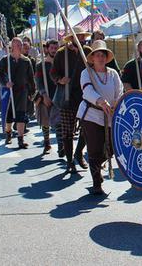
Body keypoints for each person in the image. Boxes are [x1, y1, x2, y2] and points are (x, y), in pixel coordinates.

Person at [77, 40, 123, 195]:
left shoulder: (113, 74)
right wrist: (99, 100)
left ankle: (98, 166)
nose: (101, 58)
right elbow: (87, 91)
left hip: (110, 115)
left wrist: (116, 102)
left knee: (111, 148)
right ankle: (97, 181)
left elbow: (119, 91)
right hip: (91, 115)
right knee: (95, 149)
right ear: (93, 58)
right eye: (97, 55)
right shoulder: (86, 73)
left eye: (103, 55)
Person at [51, 26, 92, 172]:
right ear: (72, 38)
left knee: (87, 129)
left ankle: (79, 153)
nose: (81, 38)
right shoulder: (61, 53)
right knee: (67, 132)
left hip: (84, 96)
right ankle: (69, 161)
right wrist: (60, 80)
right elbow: (53, 73)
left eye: (82, 36)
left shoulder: (87, 52)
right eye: (78, 36)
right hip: (67, 96)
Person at [0, 37, 36, 148]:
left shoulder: (26, 61)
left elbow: (30, 77)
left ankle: (20, 139)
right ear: (12, 46)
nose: (19, 47)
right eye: (17, 45)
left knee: (21, 115)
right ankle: (8, 134)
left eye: (20, 45)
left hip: (22, 91)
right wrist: (6, 82)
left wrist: (32, 92)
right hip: (10, 91)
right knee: (9, 116)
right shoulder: (6, 60)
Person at [34, 39, 59, 155]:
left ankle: (61, 145)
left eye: (55, 48)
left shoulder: (61, 64)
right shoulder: (41, 65)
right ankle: (47, 142)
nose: (54, 50)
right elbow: (39, 82)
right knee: (45, 121)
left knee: (59, 122)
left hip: (58, 96)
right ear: (47, 49)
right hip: (45, 96)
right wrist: (44, 95)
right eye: (52, 48)